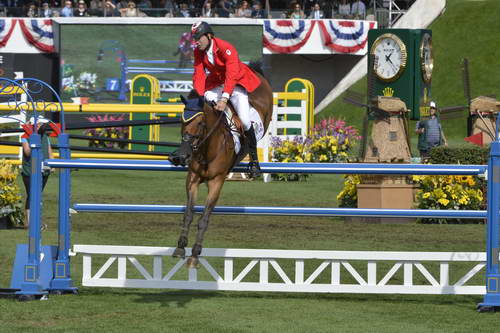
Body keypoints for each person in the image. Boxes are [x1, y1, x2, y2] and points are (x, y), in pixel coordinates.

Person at [190, 21, 263, 177]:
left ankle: (254, 161)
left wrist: (224, 99)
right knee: (205, 104)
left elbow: (231, 76)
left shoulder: (225, 48)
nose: (196, 41)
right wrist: (200, 94)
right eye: (194, 38)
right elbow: (199, 74)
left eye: (198, 37)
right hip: (216, 84)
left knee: (244, 120)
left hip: (235, 84)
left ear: (209, 36)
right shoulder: (198, 51)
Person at [21, 117, 53, 231]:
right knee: (32, 195)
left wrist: (52, 164)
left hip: (44, 170)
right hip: (29, 171)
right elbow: (27, 152)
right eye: (40, 124)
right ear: (35, 125)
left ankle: (35, 222)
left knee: (37, 195)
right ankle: (30, 223)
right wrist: (34, 143)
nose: (42, 126)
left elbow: (49, 151)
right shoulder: (25, 137)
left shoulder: (45, 137)